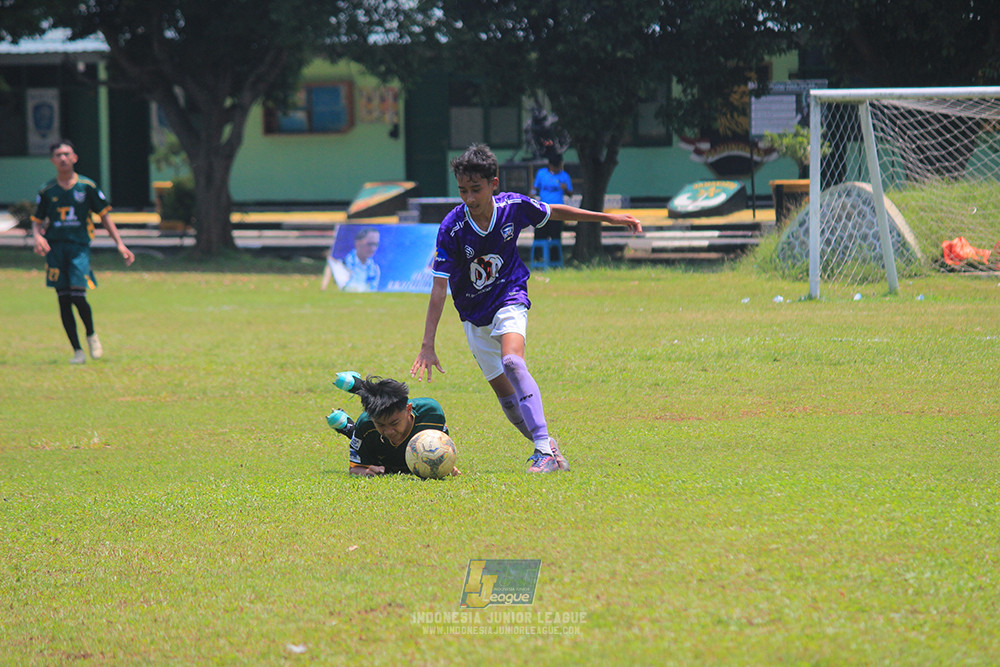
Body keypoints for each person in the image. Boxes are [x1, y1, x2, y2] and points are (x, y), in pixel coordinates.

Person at [410, 143, 642, 473]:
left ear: (494, 183)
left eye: (476, 189)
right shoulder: (452, 228)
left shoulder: (513, 207)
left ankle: (543, 449)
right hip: (474, 316)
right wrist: (427, 345)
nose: (470, 198)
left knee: (512, 361)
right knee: (506, 398)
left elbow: (556, 211)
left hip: (509, 296)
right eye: (463, 190)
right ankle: (550, 451)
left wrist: (608, 218)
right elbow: (438, 288)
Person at [30, 140, 135, 364]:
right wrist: (38, 236)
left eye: (67, 154)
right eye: (58, 155)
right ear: (52, 160)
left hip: (79, 247)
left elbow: (104, 216)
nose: (63, 158)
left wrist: (120, 243)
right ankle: (77, 351)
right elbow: (37, 220)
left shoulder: (86, 187)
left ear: (75, 158)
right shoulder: (47, 190)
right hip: (55, 249)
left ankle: (91, 334)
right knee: (63, 299)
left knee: (78, 295)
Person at [327, 371, 459, 477]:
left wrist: (445, 463)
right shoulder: (366, 424)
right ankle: (350, 428)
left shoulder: (431, 415)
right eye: (381, 425)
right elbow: (355, 469)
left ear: (408, 410)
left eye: (394, 423)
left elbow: (443, 447)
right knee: (365, 433)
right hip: (376, 448)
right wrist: (368, 472)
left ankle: (357, 390)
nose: (389, 431)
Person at [531, 153, 573, 261]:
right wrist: (530, 196)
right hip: (543, 211)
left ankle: (555, 260)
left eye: (558, 166)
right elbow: (534, 188)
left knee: (555, 237)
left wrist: (565, 189)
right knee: (540, 235)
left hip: (557, 212)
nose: (556, 168)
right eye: (555, 166)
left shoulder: (564, 176)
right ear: (549, 165)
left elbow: (570, 193)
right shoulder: (541, 174)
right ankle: (538, 258)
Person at [321, 227, 381, 292]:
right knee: (330, 261)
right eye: (369, 244)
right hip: (349, 288)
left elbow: (373, 287)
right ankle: (323, 287)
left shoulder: (373, 267)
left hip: (361, 291)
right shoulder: (346, 261)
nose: (373, 249)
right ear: (358, 242)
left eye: (375, 244)